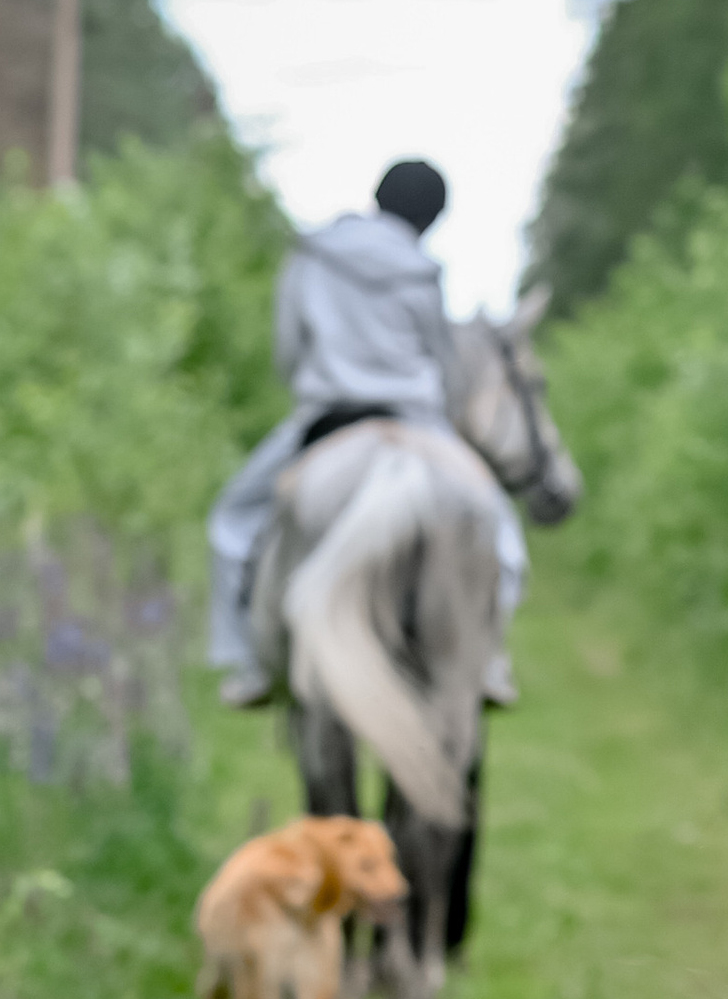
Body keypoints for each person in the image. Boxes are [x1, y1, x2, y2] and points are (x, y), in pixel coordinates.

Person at [207, 160, 528, 710]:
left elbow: (289, 350)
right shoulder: (422, 268)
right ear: (431, 219)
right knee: (501, 535)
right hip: (415, 419)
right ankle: (488, 659)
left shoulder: (312, 254)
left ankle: (250, 661)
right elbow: (442, 362)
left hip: (328, 414)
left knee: (233, 522)